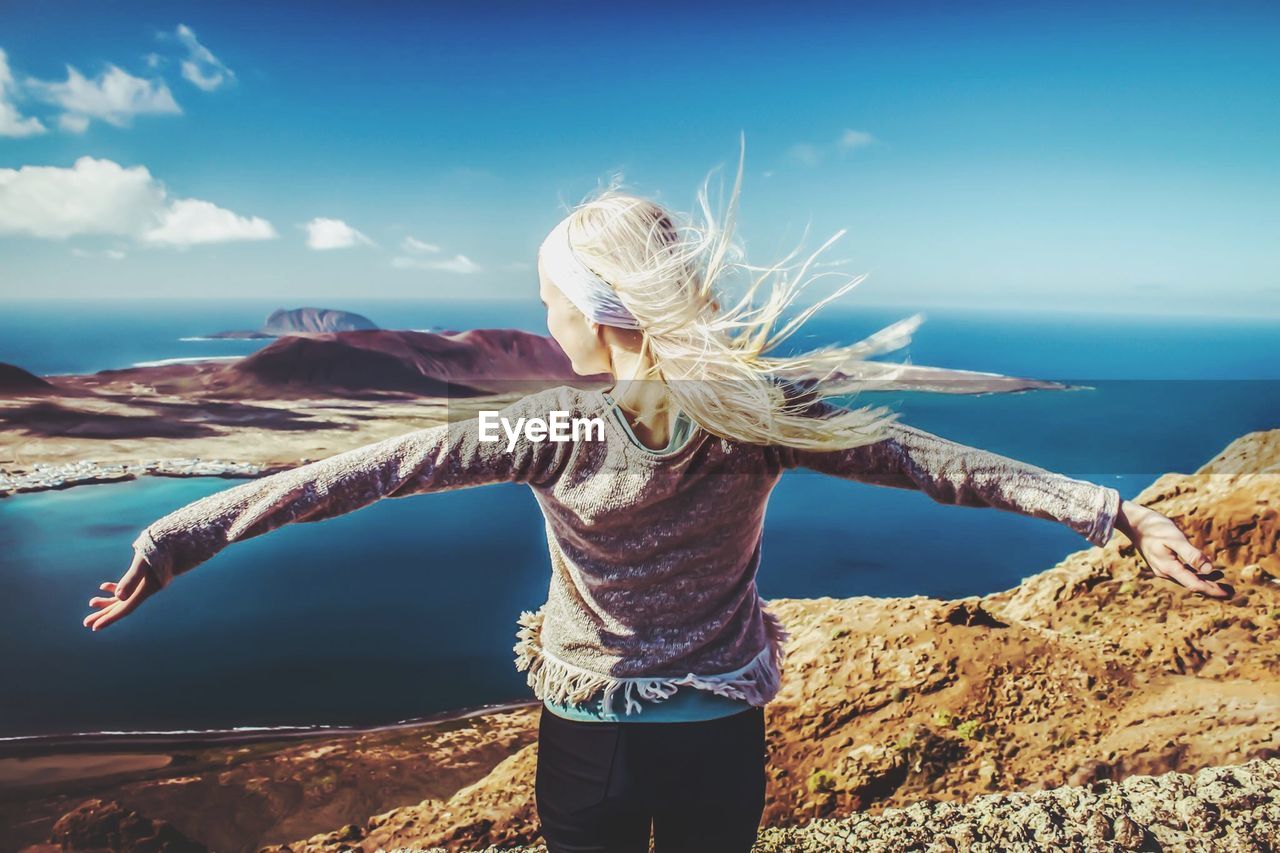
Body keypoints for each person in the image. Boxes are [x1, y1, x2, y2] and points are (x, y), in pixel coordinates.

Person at [84, 143, 1231, 853]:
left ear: (593, 311)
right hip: (723, 729)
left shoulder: (555, 423)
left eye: (550, 303)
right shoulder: (761, 409)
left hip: (589, 733)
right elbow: (939, 464)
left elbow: (362, 473)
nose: (542, 325)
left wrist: (176, 534)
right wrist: (1109, 511)